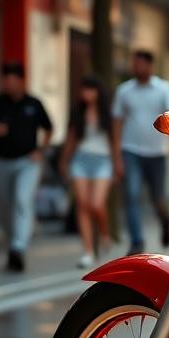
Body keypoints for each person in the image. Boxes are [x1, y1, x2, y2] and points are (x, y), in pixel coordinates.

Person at [0, 62, 53, 272]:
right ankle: (12, 246)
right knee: (4, 207)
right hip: (1, 162)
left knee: (21, 200)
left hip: (28, 162)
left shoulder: (34, 104)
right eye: (4, 79)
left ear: (21, 81)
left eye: (11, 79)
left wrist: (40, 151)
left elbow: (48, 129)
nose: (7, 83)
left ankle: (18, 247)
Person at [112, 50, 169, 255]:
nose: (137, 68)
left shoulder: (164, 88)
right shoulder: (124, 91)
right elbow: (117, 122)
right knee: (131, 196)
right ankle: (136, 242)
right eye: (135, 64)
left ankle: (166, 220)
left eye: (141, 64)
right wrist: (117, 156)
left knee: (158, 198)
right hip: (131, 150)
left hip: (157, 153)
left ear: (150, 66)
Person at [60, 76, 115, 268]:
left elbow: (114, 141)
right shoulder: (78, 113)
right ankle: (88, 251)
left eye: (90, 89)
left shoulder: (108, 113)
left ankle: (105, 234)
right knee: (82, 205)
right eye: (84, 90)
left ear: (98, 92)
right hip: (81, 160)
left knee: (96, 204)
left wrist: (117, 165)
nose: (86, 94)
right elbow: (71, 139)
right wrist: (64, 161)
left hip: (103, 161)